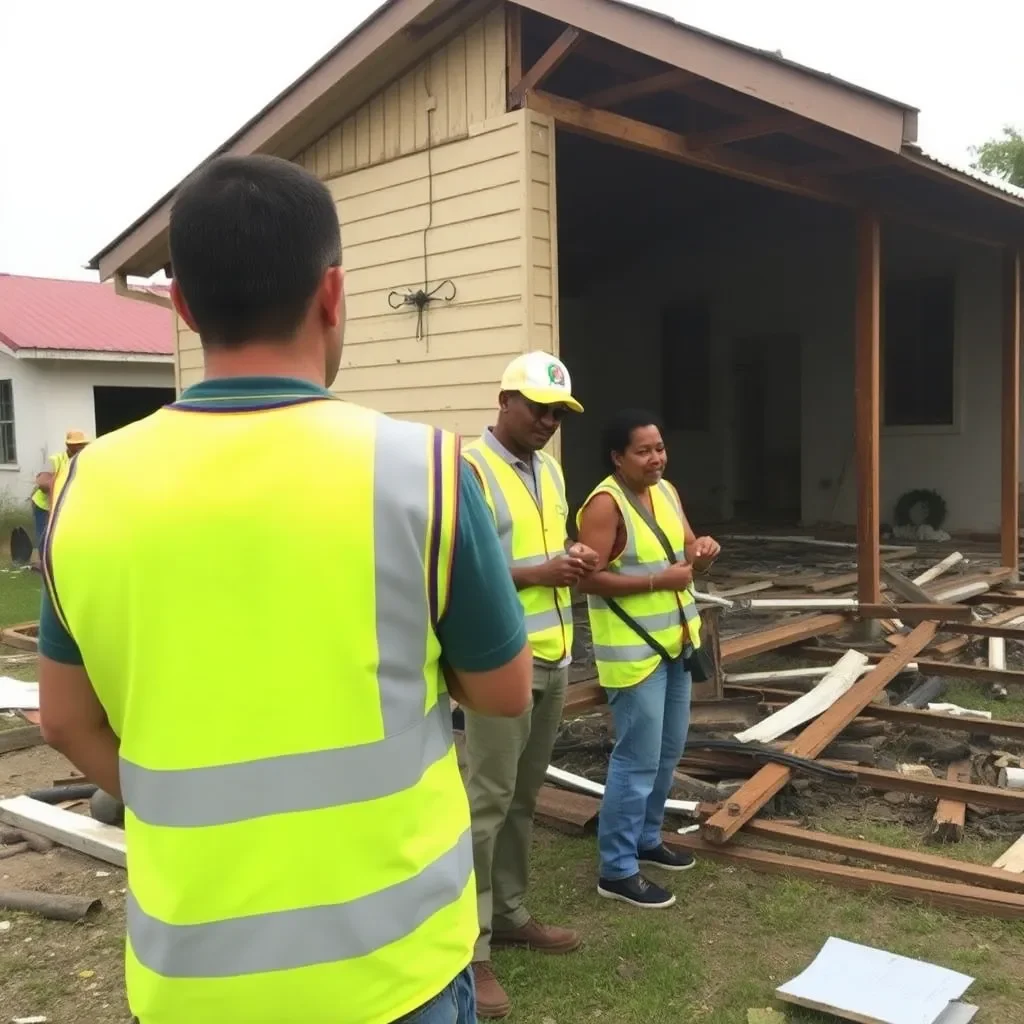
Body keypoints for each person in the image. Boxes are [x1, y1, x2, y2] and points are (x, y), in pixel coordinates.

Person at [36, 154, 534, 1024]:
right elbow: (502, 693)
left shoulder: (86, 487)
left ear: (183, 305)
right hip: (394, 966)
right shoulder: (427, 473)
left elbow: (66, 721)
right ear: (333, 293)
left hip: (192, 973)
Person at [461, 352, 597, 1019]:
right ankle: (471, 949)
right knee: (484, 805)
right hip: (497, 661)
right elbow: (462, 574)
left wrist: (574, 560)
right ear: (503, 400)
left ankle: (511, 913)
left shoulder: (549, 469)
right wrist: (543, 570)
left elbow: (550, 552)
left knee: (522, 798)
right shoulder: (468, 471)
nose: (547, 422)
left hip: (554, 653)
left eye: (557, 413)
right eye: (537, 408)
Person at [576, 410, 720, 910]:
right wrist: (660, 581)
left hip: (676, 643)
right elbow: (586, 578)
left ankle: (646, 839)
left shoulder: (667, 492)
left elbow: (684, 552)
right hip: (633, 654)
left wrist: (701, 553)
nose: (656, 457)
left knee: (667, 751)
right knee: (636, 759)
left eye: (659, 447)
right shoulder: (603, 505)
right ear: (618, 458)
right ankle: (617, 869)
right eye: (643, 450)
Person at [30, 429, 88, 557]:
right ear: (69, 446)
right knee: (45, 538)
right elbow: (42, 483)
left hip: (62, 507)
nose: (81, 448)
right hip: (43, 506)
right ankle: (44, 565)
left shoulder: (82, 460)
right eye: (78, 445)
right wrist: (60, 485)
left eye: (82, 445)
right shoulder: (55, 460)